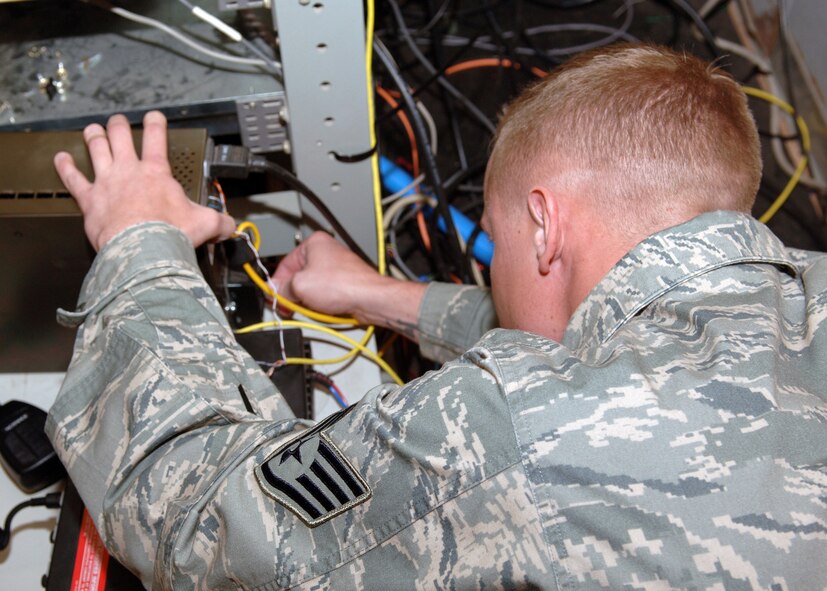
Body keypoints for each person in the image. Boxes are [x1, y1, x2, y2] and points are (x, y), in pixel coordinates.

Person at [47, 44, 826, 590]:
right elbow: (593, 341)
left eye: (495, 241)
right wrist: (376, 295)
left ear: (544, 225)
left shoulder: (530, 431)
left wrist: (137, 242)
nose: (490, 263)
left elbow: (198, 524)